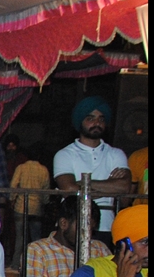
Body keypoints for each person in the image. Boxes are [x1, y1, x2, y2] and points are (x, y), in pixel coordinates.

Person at [53, 96, 132, 235]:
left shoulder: (116, 154)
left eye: (101, 119)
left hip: (106, 227)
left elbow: (124, 186)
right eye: (90, 118)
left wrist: (83, 184)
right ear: (80, 122)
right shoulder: (64, 154)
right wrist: (109, 185)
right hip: (73, 228)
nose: (97, 123)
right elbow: (69, 189)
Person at [24, 197, 109, 277]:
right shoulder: (38, 250)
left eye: (91, 230)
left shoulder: (99, 248)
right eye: (83, 230)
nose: (87, 235)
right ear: (63, 223)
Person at [9, 152, 50, 266]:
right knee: (36, 238)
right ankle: (36, 264)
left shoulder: (21, 168)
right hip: (36, 208)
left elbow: (13, 185)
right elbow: (46, 189)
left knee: (20, 238)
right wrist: (45, 202)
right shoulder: (44, 170)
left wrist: (12, 199)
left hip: (21, 206)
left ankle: (15, 264)